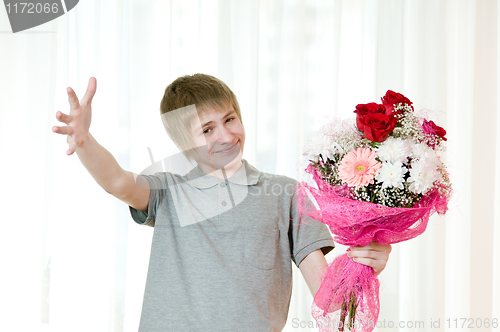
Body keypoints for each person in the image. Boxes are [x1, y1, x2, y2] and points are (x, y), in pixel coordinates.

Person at [52, 74, 391, 331]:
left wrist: (366, 264)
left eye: (230, 119)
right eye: (208, 130)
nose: (227, 136)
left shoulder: (287, 194)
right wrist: (84, 142)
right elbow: (117, 181)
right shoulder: (168, 191)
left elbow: (330, 301)